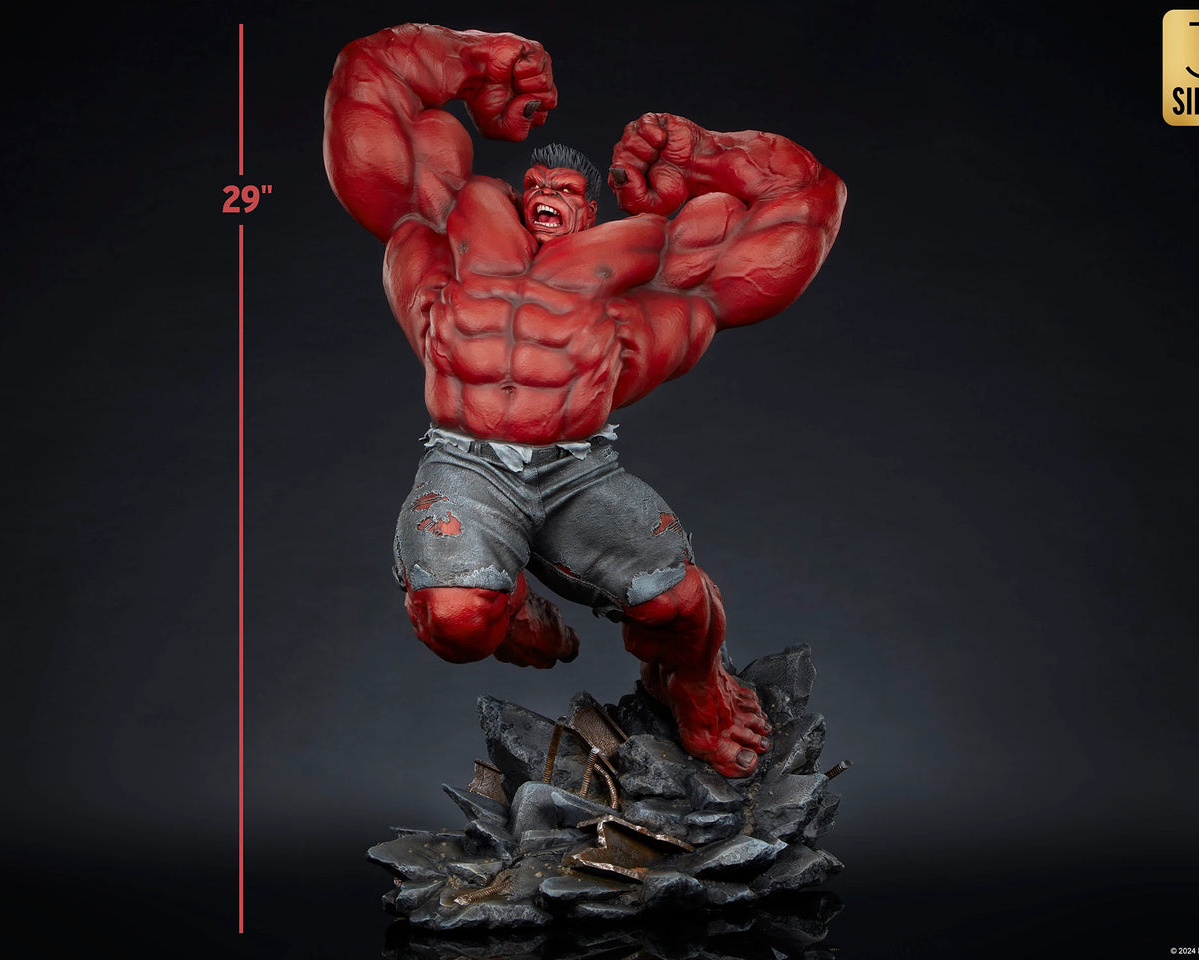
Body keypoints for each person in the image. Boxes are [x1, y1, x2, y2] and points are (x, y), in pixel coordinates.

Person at [324, 23, 845, 777]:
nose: (545, 198)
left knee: (680, 606)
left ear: (590, 212)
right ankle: (504, 595)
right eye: (535, 188)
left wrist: (706, 154)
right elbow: (367, 82)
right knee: (458, 620)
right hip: (468, 466)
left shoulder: (652, 268)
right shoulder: (444, 232)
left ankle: (692, 684)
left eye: (565, 192)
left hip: (578, 471)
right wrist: (473, 59)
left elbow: (808, 197)